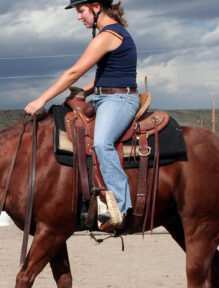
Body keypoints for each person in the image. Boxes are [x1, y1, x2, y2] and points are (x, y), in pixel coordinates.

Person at [25, 0, 139, 229]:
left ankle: (119, 206)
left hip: (119, 99)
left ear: (96, 7)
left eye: (81, 10)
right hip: (101, 96)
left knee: (102, 142)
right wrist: (82, 93)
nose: (79, 16)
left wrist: (42, 99)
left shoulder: (109, 35)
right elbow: (104, 76)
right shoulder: (110, 35)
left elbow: (74, 72)